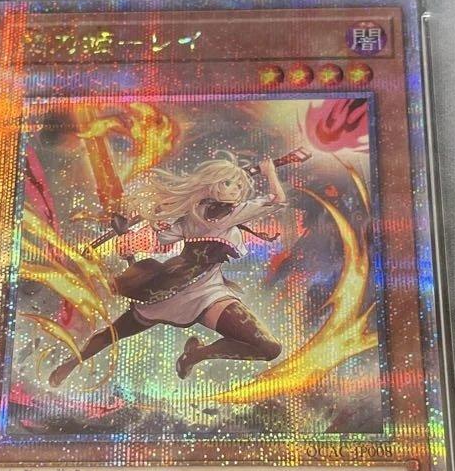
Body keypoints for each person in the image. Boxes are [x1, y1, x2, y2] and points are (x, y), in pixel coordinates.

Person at [49, 152, 286, 386]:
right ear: (210, 186)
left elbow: (160, 240)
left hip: (207, 292)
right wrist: (270, 172)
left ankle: (195, 355)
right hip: (173, 291)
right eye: (228, 183)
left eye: (239, 186)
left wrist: (136, 232)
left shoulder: (197, 215)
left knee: (269, 348)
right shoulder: (226, 214)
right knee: (269, 348)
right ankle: (72, 362)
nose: (236, 190)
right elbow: (278, 199)